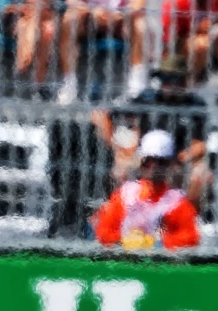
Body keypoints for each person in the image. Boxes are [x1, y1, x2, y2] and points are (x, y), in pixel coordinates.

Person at [90, 54, 211, 208]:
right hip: (144, 158)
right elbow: (101, 115)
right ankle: (123, 217)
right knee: (120, 170)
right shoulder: (147, 99)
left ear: (185, 81)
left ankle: (186, 220)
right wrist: (117, 147)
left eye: (175, 79)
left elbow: (200, 144)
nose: (170, 84)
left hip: (179, 158)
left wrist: (180, 159)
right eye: (165, 79)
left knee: (200, 176)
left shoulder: (195, 105)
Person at [92, 129, 201, 249]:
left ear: (169, 164)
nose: (153, 166)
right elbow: (103, 232)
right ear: (140, 162)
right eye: (148, 161)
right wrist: (125, 240)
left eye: (160, 162)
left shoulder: (177, 202)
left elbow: (191, 238)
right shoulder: (125, 195)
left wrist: (156, 242)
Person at [59, 0, 148, 102]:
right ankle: (69, 83)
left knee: (140, 24)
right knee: (69, 20)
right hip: (89, 19)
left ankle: (137, 84)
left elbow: (139, 1)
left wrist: (119, 14)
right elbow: (72, 0)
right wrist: (93, 11)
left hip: (120, 19)